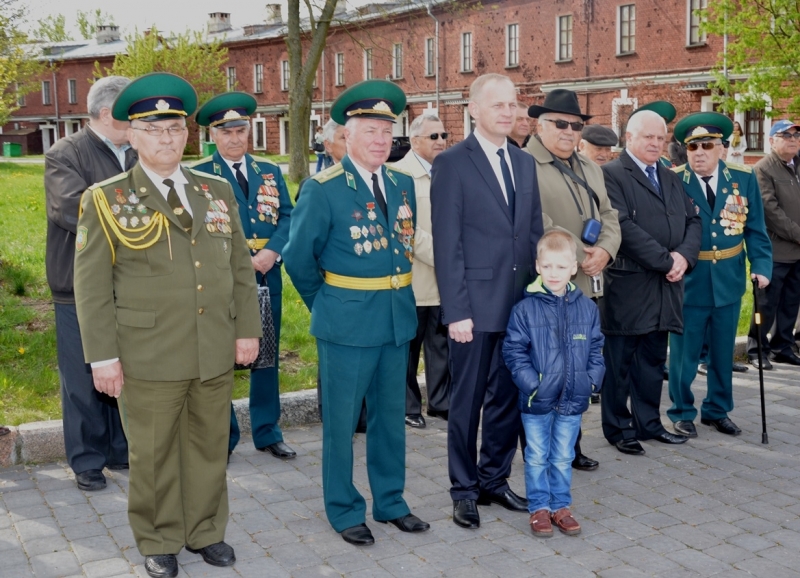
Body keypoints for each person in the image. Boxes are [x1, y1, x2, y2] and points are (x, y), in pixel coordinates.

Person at [73, 72, 261, 578]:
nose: (166, 139)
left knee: (208, 447)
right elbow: (92, 287)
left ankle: (206, 530)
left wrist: (247, 330)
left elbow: (239, 269)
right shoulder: (107, 198)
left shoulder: (215, 190)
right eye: (153, 130)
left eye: (175, 129)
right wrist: (103, 357)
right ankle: (158, 539)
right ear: (132, 136)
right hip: (148, 352)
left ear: (187, 135)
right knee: (153, 455)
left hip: (212, 346)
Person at [283, 80, 429, 546]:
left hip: (395, 318)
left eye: (387, 131)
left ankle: (391, 502)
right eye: (370, 130)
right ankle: (344, 509)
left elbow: (401, 248)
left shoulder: (402, 184)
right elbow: (298, 258)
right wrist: (328, 304)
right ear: (347, 135)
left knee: (390, 419)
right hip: (346, 324)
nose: (381, 140)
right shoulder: (323, 189)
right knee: (342, 424)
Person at [431, 73, 544, 529]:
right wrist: (457, 311)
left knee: (509, 398)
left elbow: (532, 233)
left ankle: (493, 479)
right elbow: (447, 244)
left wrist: (540, 297)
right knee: (467, 403)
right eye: (497, 105)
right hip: (474, 309)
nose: (507, 112)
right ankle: (463, 490)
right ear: (474, 110)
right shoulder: (453, 163)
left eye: (512, 104)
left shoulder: (524, 162)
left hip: (518, 305)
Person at [190, 92, 296, 460]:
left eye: (240, 131)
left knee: (266, 355)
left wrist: (272, 251)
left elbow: (288, 215)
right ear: (213, 135)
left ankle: (267, 432)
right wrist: (238, 260)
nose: (235, 139)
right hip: (222, 278)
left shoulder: (269, 171)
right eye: (226, 132)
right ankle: (224, 436)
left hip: (266, 275)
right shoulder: (199, 174)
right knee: (221, 356)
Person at [44, 76, 134, 492]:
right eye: (130, 112)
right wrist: (135, 220)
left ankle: (120, 449)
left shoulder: (135, 152)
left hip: (128, 283)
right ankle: (86, 460)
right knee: (82, 377)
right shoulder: (66, 153)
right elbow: (71, 209)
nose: (137, 120)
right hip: (76, 285)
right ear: (107, 113)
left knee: (120, 368)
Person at [524, 89, 621, 472]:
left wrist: (605, 251)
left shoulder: (590, 167)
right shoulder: (525, 164)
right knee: (546, 369)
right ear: (540, 125)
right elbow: (535, 220)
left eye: (576, 125)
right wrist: (580, 255)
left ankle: (570, 445)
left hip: (586, 285)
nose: (569, 131)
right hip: (549, 284)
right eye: (560, 123)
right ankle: (540, 449)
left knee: (576, 368)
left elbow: (608, 214)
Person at [600, 109, 702, 456]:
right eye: (649, 137)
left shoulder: (669, 176)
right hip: (630, 285)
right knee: (620, 363)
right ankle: (618, 428)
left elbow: (693, 220)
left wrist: (684, 257)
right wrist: (666, 260)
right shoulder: (611, 174)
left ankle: (649, 423)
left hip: (666, 286)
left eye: (661, 138)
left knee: (653, 361)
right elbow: (622, 226)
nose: (656, 143)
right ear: (629, 137)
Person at [667, 112, 772, 438]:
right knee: (684, 355)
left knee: (722, 352)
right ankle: (682, 411)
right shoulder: (674, 180)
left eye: (707, 145)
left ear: (722, 148)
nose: (699, 152)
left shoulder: (743, 178)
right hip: (689, 280)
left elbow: (755, 229)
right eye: (693, 146)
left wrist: (761, 266)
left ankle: (717, 409)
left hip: (728, 279)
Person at [503, 230, 605, 538]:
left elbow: (596, 348)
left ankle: (561, 506)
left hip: (573, 398)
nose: (553, 273)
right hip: (536, 400)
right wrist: (532, 384)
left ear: (573, 268)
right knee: (536, 456)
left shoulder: (587, 308)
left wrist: (590, 381)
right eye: (547, 266)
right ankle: (539, 508)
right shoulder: (525, 309)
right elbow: (514, 351)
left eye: (561, 266)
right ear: (537, 266)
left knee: (563, 456)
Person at [392, 114, 451, 429]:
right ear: (414, 141)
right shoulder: (399, 175)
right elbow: (406, 229)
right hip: (415, 277)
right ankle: (408, 405)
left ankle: (440, 402)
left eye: (444, 135)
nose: (441, 141)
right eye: (433, 136)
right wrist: (446, 255)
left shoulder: (448, 171)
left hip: (445, 278)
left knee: (440, 342)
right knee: (409, 347)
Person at [747, 120, 800, 369]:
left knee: (790, 303)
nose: (793, 139)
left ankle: (782, 347)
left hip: (797, 252)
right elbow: (771, 212)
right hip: (775, 251)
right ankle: (757, 349)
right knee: (766, 304)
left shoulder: (797, 164)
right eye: (785, 135)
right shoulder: (763, 169)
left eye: (796, 135)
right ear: (771, 141)